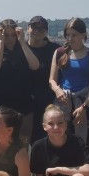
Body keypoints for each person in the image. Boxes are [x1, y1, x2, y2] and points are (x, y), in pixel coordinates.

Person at [48, 17, 89, 149]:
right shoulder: (60, 53)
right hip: (64, 103)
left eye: (74, 35)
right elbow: (52, 80)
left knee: (85, 146)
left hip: (86, 103)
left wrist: (84, 107)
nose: (70, 38)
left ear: (83, 35)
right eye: (67, 35)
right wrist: (57, 90)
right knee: (63, 145)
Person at [0, 19, 40, 143]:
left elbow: (35, 66)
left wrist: (22, 41)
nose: (10, 39)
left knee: (23, 141)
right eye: (6, 35)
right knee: (2, 141)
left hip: (24, 103)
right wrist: (1, 41)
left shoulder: (25, 51)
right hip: (2, 104)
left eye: (13, 35)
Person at [25, 16, 60, 144]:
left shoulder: (54, 49)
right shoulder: (21, 47)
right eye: (34, 27)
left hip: (48, 101)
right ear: (28, 28)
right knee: (26, 141)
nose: (37, 31)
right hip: (25, 103)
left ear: (46, 32)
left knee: (49, 139)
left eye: (41, 29)